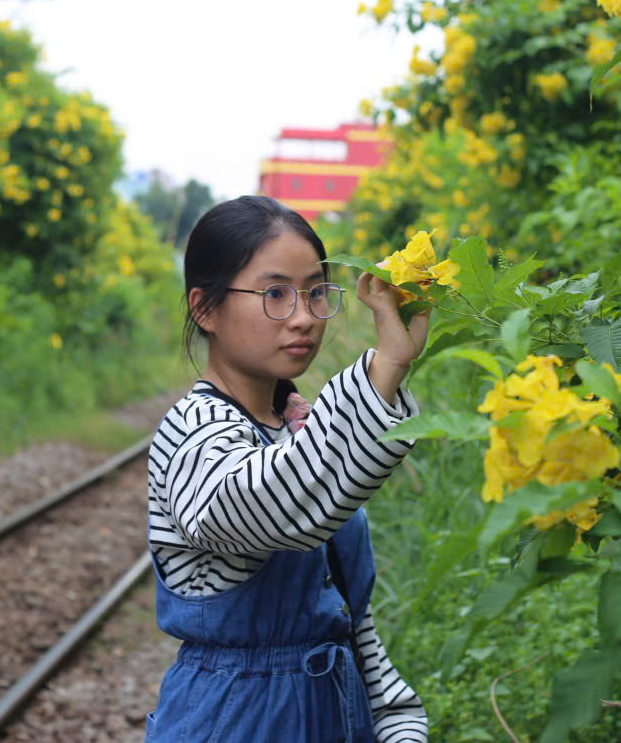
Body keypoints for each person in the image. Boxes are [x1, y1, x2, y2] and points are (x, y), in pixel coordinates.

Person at [145, 196, 430, 742]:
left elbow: (351, 629)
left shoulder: (295, 429)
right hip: (230, 723)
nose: (303, 317)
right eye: (274, 293)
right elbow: (266, 506)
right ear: (205, 309)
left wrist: (399, 724)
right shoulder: (191, 434)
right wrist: (381, 369)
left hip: (334, 714)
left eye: (316, 292)